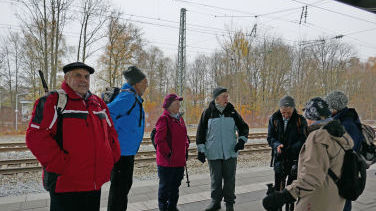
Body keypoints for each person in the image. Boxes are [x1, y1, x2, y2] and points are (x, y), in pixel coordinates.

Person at [26, 62, 120, 211]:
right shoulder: (53, 101)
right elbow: (35, 137)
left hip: (94, 183)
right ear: (67, 78)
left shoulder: (98, 103)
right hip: (66, 184)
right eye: (78, 75)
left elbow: (111, 133)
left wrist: (111, 157)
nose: (84, 80)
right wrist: (60, 165)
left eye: (87, 76)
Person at [263, 97, 354, 211]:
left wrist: (285, 195)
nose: (307, 120)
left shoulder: (317, 137)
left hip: (317, 199)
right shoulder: (341, 134)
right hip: (335, 198)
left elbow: (312, 177)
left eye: (308, 116)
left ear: (312, 116)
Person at [196, 87, 249, 211]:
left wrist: (241, 141)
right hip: (213, 153)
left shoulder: (232, 112)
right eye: (224, 96)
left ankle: (229, 204)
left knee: (230, 179)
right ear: (217, 98)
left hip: (230, 152)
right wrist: (201, 150)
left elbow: (244, 128)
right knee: (216, 179)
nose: (227, 99)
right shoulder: (207, 113)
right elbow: (200, 133)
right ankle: (215, 202)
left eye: (227, 96)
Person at [107, 66, 148, 211]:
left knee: (123, 188)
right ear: (136, 83)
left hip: (127, 151)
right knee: (119, 190)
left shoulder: (133, 97)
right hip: (121, 152)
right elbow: (107, 113)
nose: (146, 86)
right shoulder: (127, 97)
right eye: (144, 83)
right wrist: (113, 135)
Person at [267, 95, 307, 211]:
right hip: (279, 158)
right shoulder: (274, 119)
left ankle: (290, 208)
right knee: (278, 187)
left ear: (293, 109)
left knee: (292, 189)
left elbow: (303, 139)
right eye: (283, 112)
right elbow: (270, 138)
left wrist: (290, 149)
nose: (286, 115)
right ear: (280, 109)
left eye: (288, 113)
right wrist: (276, 145)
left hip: (294, 159)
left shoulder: (300, 120)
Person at [325, 90, 363, 211]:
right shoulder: (340, 120)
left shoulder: (348, 124)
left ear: (335, 107)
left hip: (345, 171)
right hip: (340, 170)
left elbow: (347, 148)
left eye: (329, 106)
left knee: (342, 203)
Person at [154, 93, 189, 211]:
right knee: (165, 188)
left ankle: (172, 207)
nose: (179, 105)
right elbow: (159, 139)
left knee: (175, 187)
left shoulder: (180, 119)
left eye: (179, 103)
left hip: (179, 161)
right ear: (168, 105)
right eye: (176, 103)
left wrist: (186, 148)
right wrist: (169, 154)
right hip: (167, 163)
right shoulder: (164, 119)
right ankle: (163, 208)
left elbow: (185, 137)